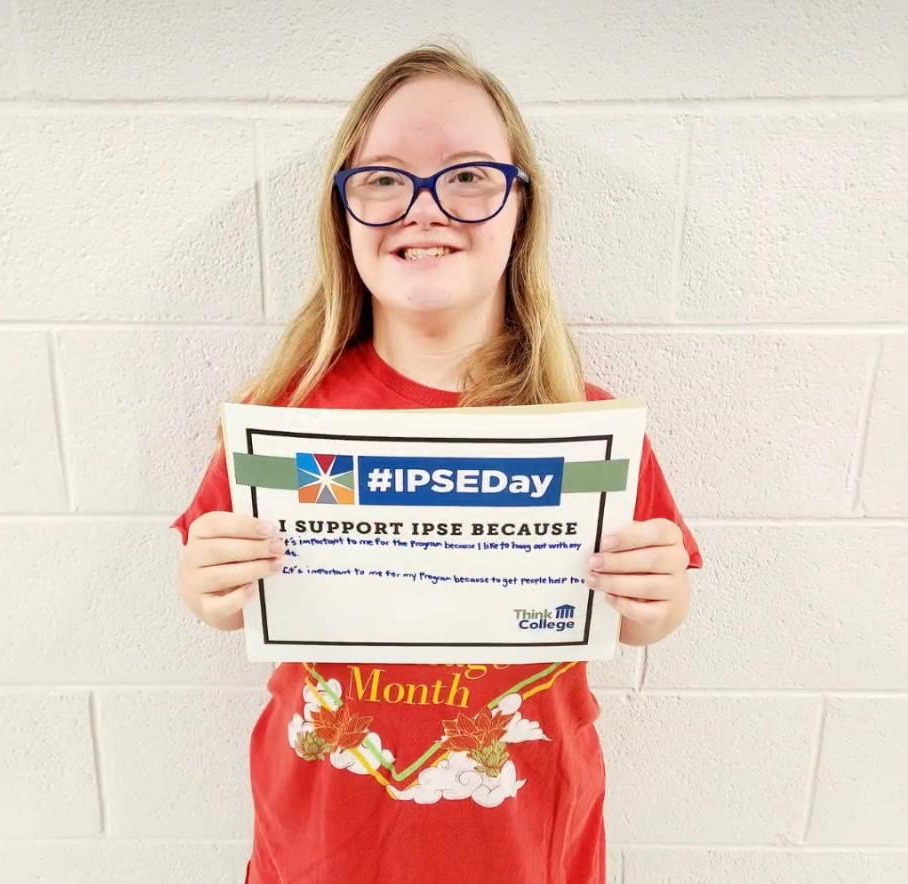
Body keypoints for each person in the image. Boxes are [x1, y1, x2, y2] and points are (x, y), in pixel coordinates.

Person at [172, 42, 702, 884]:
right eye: (383, 178)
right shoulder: (286, 421)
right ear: (343, 212)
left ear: (520, 207)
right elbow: (224, 600)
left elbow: (641, 617)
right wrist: (207, 586)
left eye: (467, 175)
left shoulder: (589, 431)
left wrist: (660, 601)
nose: (424, 207)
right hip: (322, 843)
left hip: (527, 845)